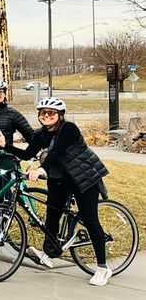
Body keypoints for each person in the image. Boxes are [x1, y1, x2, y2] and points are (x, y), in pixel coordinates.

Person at [9, 97, 113, 284]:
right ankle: (49, 254)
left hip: (84, 178)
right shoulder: (41, 133)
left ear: (60, 115)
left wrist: (41, 169)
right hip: (59, 179)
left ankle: (103, 268)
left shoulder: (69, 129)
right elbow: (26, 153)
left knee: (90, 219)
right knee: (52, 214)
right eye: (43, 113)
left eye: (51, 113)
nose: (46, 116)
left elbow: (56, 151)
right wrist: (4, 146)